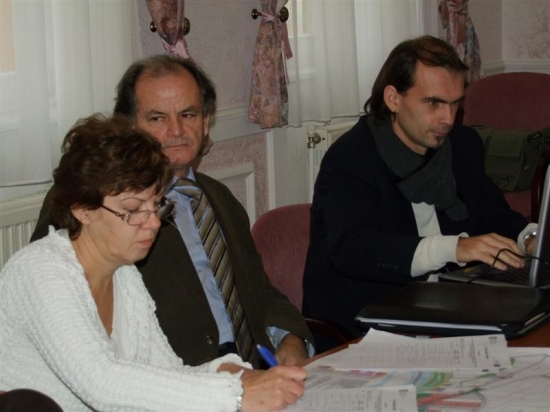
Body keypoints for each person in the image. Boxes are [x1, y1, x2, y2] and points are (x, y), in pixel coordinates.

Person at [0, 115, 306, 411]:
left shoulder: (124, 274)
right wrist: (234, 395)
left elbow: (167, 372)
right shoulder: (41, 270)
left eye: (157, 205)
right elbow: (102, 383)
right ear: (82, 209)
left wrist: (235, 374)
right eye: (134, 209)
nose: (154, 223)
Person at [30, 54, 313, 367]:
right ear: (128, 126)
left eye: (188, 114)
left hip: (256, 369)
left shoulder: (220, 199)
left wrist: (289, 337)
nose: (177, 130)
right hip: (173, 376)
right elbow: (64, 312)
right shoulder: (92, 203)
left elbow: (257, 289)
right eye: (157, 118)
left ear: (205, 122)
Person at [302, 35, 538, 351]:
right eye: (433, 103)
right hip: (371, 327)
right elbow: (354, 249)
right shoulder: (351, 159)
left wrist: (531, 238)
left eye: (455, 103)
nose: (448, 119)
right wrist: (455, 248)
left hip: (452, 312)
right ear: (393, 98)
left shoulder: (462, 145)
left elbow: (493, 215)